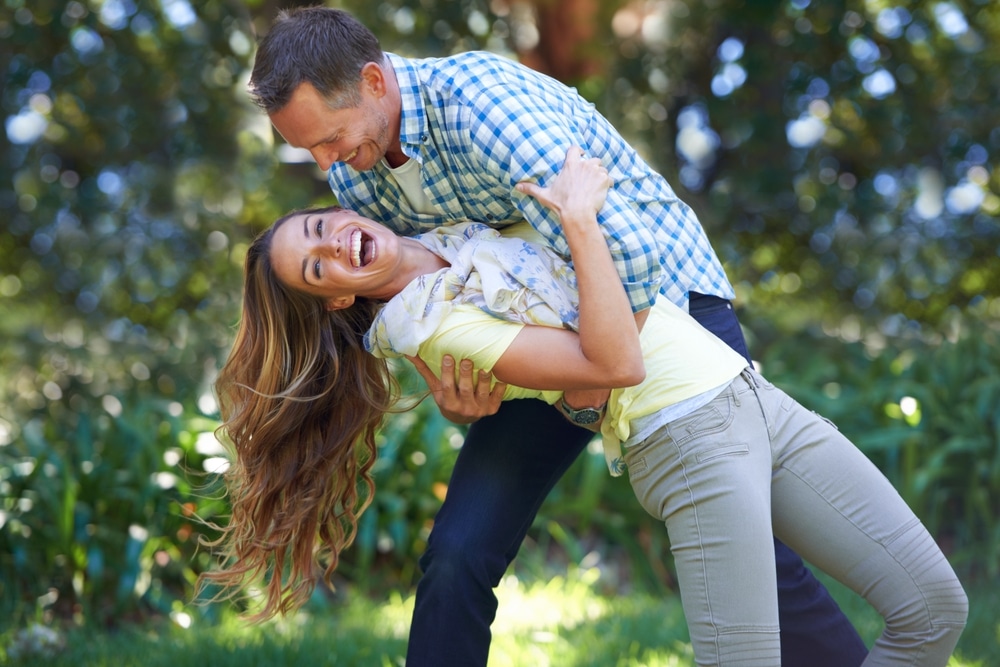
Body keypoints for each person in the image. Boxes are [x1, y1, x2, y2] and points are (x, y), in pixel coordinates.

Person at [247, 7, 872, 665]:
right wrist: (450, 384)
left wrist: (592, 379)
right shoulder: (355, 174)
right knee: (458, 553)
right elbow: (407, 290)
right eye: (308, 147)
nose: (324, 162)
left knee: (762, 559)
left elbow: (628, 256)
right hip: (558, 354)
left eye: (328, 137)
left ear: (374, 82)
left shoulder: (483, 108)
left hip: (663, 309)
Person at [209, 149, 967, 665]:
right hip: (684, 435)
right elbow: (611, 366)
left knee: (934, 608)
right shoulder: (433, 324)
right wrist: (578, 218)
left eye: (318, 228)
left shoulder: (455, 222)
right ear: (336, 297)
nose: (335, 246)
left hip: (751, 393)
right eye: (317, 269)